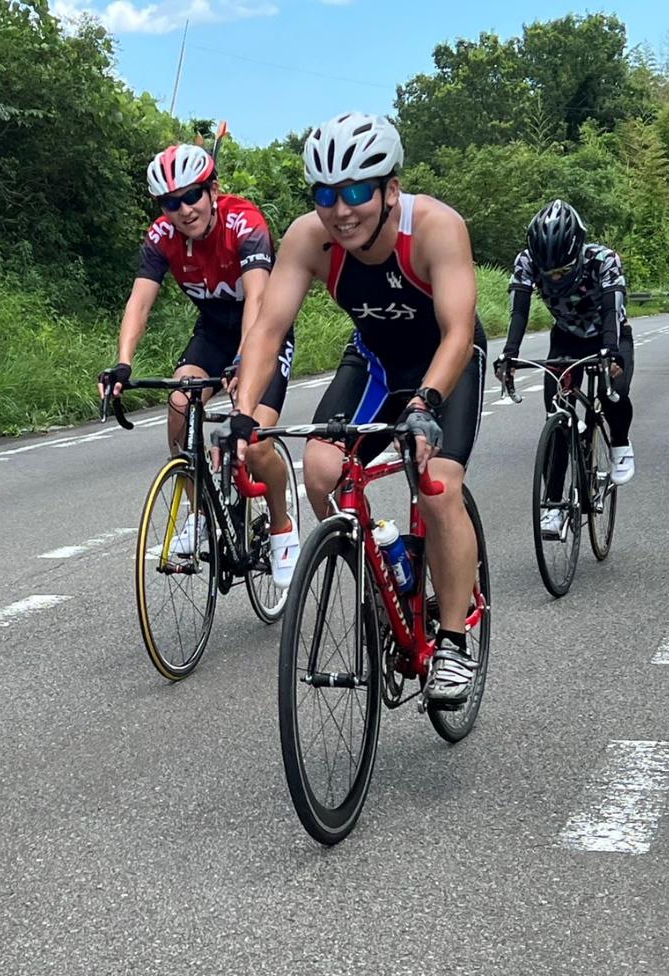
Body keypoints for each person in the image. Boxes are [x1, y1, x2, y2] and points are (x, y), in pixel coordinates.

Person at [223, 113, 488, 703]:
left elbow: (458, 330)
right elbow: (267, 331)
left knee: (438, 482)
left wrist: (427, 402)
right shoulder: (308, 238)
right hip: (374, 361)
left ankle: (451, 640)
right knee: (319, 469)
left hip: (446, 363)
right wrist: (244, 413)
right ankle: (384, 574)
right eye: (326, 194)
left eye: (358, 192)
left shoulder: (438, 227)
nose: (341, 211)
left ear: (391, 189)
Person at [97, 143, 300, 587]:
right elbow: (140, 302)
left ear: (213, 190)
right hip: (213, 332)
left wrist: (246, 361)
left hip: (263, 330)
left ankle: (283, 527)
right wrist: (123, 362)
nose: (184, 209)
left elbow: (260, 303)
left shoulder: (244, 223)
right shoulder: (161, 238)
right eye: (172, 202)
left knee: (258, 442)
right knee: (178, 403)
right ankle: (202, 514)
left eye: (192, 196)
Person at [496, 199, 636, 542]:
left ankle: (619, 443)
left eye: (562, 270)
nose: (555, 278)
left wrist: (611, 353)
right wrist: (510, 355)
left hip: (610, 335)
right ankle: (555, 506)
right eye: (549, 273)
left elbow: (610, 310)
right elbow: (519, 311)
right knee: (556, 416)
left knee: (612, 391)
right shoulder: (527, 262)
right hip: (566, 340)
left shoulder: (603, 261)